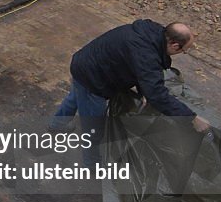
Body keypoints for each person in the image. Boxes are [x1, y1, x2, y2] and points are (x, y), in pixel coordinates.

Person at [53, 20, 210, 134]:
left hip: (84, 63)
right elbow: (157, 94)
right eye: (184, 50)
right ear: (175, 45)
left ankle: (57, 125)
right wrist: (192, 118)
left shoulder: (151, 32)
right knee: (94, 127)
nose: (182, 53)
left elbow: (137, 67)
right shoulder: (147, 55)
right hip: (93, 78)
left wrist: (143, 91)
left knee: (76, 96)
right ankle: (93, 165)